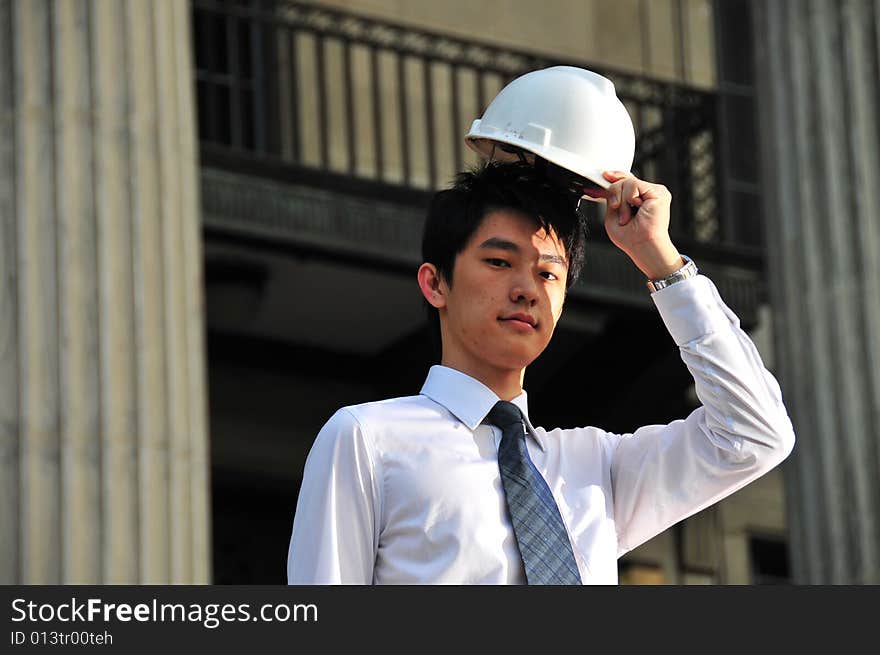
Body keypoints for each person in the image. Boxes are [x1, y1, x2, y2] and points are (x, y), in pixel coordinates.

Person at [286, 160, 796, 584]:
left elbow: (755, 434)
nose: (528, 289)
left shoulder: (595, 469)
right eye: (499, 263)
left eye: (548, 273)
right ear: (435, 283)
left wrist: (659, 259)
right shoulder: (369, 440)